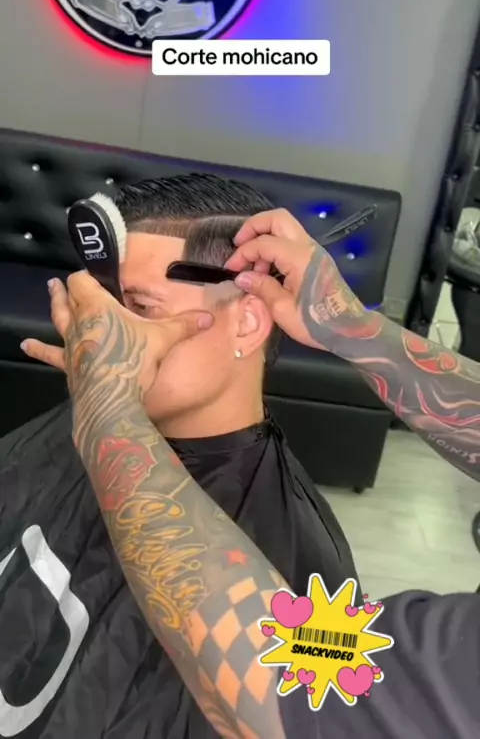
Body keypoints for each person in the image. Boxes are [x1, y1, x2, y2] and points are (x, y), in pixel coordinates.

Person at [57, 207, 479, 739]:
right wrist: (350, 325)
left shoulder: (295, 550)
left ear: (247, 321)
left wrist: (105, 406)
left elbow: (296, 678)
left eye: (138, 309)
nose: (109, 334)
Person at [0, 175, 357, 739]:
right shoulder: (85, 416)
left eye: (138, 307)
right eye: (99, 307)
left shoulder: (309, 576)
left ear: (247, 321)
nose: (97, 337)